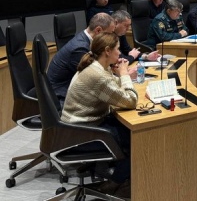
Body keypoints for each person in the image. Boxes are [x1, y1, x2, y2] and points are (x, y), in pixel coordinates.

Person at [61, 32, 137, 198]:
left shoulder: (96, 67)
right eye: (117, 49)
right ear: (107, 51)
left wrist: (121, 76)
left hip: (77, 128)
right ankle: (117, 183)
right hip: (80, 135)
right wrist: (124, 75)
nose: (120, 53)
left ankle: (122, 175)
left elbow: (112, 88)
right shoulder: (97, 75)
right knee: (137, 139)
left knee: (127, 129)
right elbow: (131, 100)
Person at [47, 12, 116, 105]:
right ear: (98, 30)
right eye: (110, 34)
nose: (111, 37)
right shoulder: (80, 48)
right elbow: (95, 78)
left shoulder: (84, 39)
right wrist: (123, 77)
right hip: (61, 97)